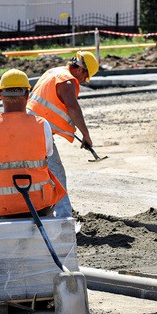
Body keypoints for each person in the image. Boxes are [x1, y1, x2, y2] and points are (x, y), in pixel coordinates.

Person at [0, 69, 66, 218]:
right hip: (38, 204)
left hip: (0, 206)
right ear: (27, 95)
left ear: (0, 94)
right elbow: (48, 154)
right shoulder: (41, 124)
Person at [27, 51, 99, 218]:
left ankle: (39, 212)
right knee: (56, 174)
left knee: (38, 173)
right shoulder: (67, 81)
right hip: (37, 132)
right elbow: (73, 108)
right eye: (85, 77)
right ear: (81, 70)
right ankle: (64, 218)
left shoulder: (53, 72)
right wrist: (86, 134)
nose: (83, 81)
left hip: (30, 127)